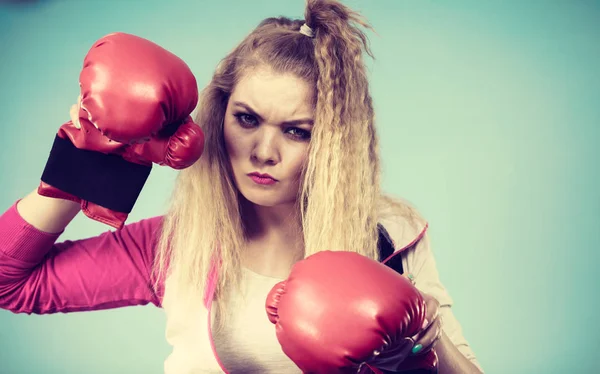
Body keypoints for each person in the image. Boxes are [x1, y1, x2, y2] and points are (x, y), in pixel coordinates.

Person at [0, 0, 483, 373]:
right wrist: (83, 161)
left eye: (297, 130)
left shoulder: (389, 236)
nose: (263, 151)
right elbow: (12, 284)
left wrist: (424, 338)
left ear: (333, 144)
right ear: (219, 116)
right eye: (247, 119)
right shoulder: (179, 243)